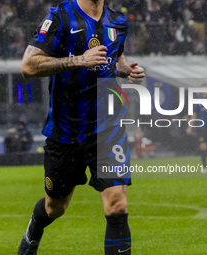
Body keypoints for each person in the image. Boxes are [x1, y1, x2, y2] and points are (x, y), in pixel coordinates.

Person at [18, 0, 145, 254]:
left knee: (117, 203)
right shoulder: (60, 18)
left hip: (107, 128)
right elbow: (28, 66)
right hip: (65, 131)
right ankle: (35, 228)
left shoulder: (118, 21)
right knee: (56, 207)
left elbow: (115, 54)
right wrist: (78, 60)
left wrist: (125, 70)